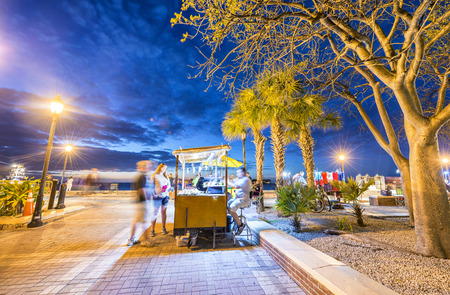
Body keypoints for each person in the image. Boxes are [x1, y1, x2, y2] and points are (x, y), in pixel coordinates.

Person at [128, 160, 155, 247]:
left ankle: (132, 239)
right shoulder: (142, 177)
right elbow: (141, 189)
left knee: (136, 221)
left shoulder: (142, 177)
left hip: (141, 202)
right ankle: (145, 240)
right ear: (143, 167)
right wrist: (146, 198)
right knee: (144, 222)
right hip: (143, 202)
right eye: (148, 166)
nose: (149, 167)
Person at [227, 167, 252, 235]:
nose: (237, 174)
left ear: (243, 173)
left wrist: (227, 182)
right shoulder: (240, 179)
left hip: (243, 199)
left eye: (238, 172)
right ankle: (235, 219)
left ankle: (240, 225)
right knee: (227, 204)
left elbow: (236, 186)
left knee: (231, 209)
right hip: (237, 198)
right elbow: (233, 182)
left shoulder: (246, 179)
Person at [150, 163, 171, 237]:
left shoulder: (166, 176)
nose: (164, 169)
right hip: (157, 197)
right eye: (163, 168)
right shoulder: (154, 175)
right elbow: (151, 187)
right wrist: (154, 194)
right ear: (159, 168)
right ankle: (152, 230)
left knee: (164, 213)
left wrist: (166, 188)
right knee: (155, 213)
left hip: (165, 196)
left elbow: (169, 185)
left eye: (165, 168)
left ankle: (163, 228)